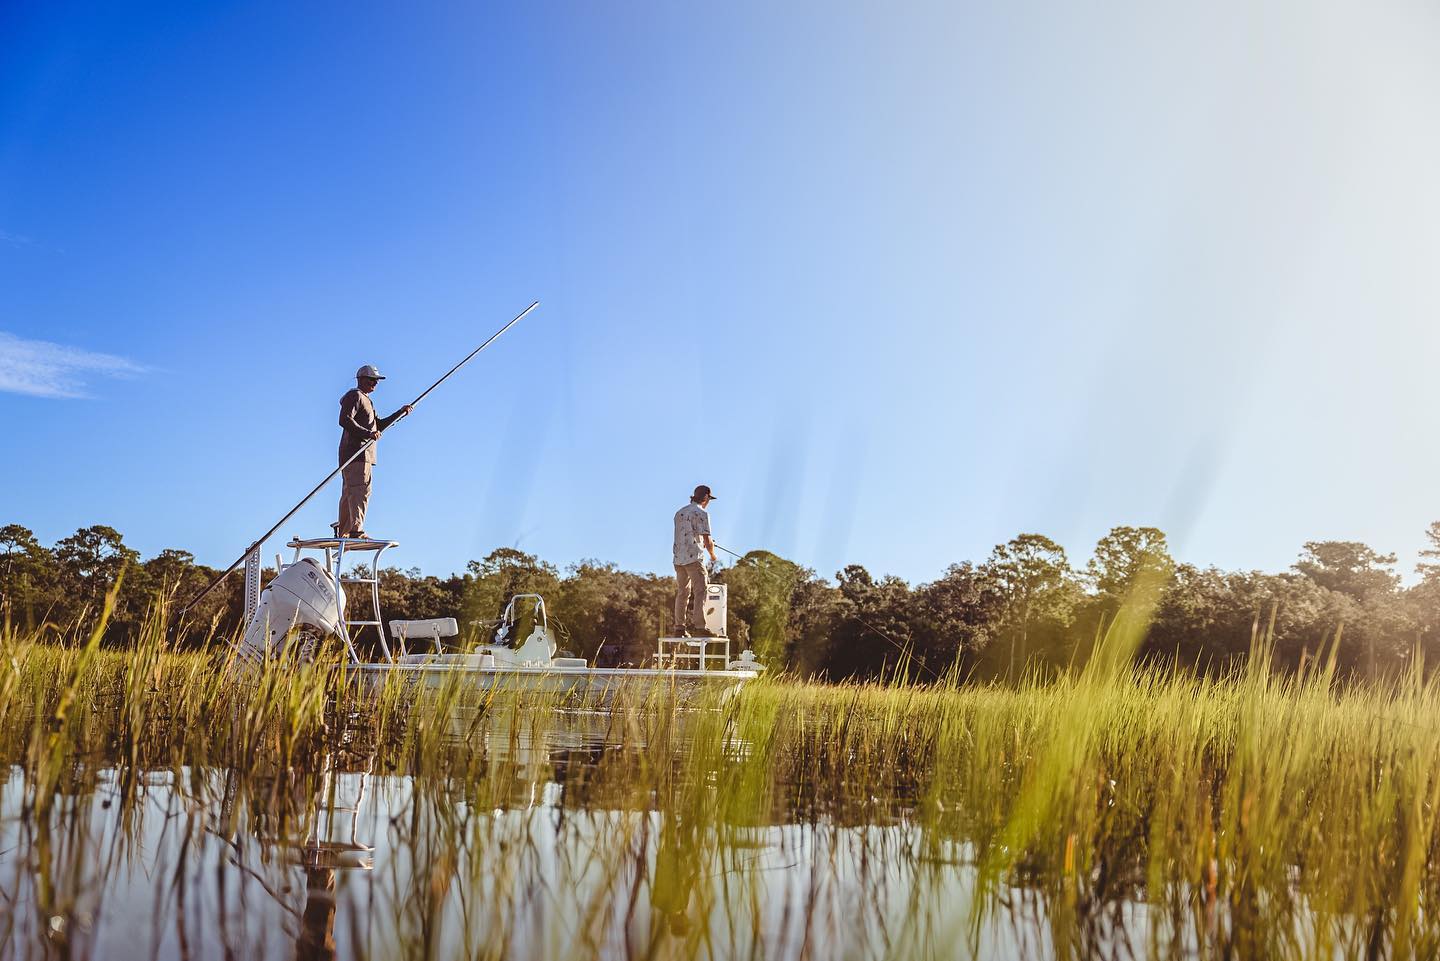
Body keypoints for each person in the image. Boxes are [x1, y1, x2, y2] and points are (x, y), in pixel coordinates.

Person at [336, 365, 412, 538]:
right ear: (361, 379)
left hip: (361, 454)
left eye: (376, 381)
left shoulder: (367, 401)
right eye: (372, 380)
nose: (375, 384)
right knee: (359, 490)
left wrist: (400, 413)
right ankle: (355, 530)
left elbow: (378, 426)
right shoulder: (355, 395)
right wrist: (368, 434)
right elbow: (345, 420)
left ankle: (345, 532)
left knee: (351, 491)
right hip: (357, 453)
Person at [673, 485, 718, 637]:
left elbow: (687, 534)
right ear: (705, 498)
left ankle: (679, 628)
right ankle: (700, 627)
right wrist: (712, 555)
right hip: (694, 559)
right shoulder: (702, 513)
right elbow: (707, 540)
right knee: (701, 591)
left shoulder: (679, 513)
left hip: (678, 559)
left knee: (682, 593)